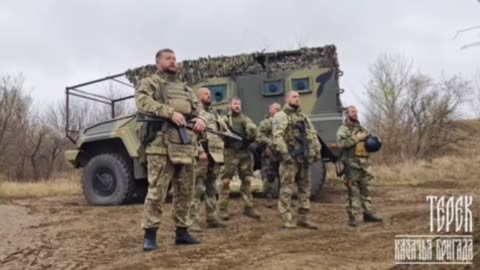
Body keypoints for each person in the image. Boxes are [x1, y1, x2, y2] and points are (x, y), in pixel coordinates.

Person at [135, 48, 207, 251]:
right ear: (158, 63)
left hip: (185, 146)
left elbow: (199, 108)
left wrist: (201, 118)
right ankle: (150, 235)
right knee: (157, 192)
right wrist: (169, 113)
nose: (174, 62)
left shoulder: (185, 89)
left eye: (175, 59)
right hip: (160, 146)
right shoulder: (150, 83)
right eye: (168, 59)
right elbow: (142, 102)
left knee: (185, 192)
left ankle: (182, 232)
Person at [272, 91, 321, 230]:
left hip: (304, 159)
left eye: (298, 97)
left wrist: (316, 151)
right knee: (287, 190)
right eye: (294, 97)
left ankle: (303, 218)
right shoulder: (281, 116)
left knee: (305, 190)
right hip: (290, 160)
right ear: (287, 99)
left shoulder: (303, 117)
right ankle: (287, 219)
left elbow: (313, 135)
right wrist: (285, 155)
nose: (297, 99)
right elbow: (277, 136)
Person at [336, 106, 383, 227]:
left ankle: (368, 213)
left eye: (356, 112)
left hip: (363, 164)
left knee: (365, 189)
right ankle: (352, 217)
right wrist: (357, 138)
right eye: (353, 112)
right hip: (351, 165)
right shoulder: (343, 129)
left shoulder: (360, 127)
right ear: (347, 114)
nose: (355, 113)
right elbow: (341, 143)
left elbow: (367, 140)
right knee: (352, 191)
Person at [189, 87, 228, 232]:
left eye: (210, 94)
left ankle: (211, 217)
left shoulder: (214, 113)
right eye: (206, 94)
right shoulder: (196, 112)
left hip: (215, 155)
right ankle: (191, 220)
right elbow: (192, 133)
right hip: (202, 155)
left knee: (212, 187)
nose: (209, 96)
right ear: (199, 97)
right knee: (197, 188)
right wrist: (199, 151)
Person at [218, 97, 261, 220]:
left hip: (244, 154)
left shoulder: (246, 119)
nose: (237, 106)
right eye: (235, 103)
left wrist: (252, 142)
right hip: (231, 153)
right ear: (230, 105)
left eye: (239, 104)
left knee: (247, 180)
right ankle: (223, 209)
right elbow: (219, 135)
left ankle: (249, 207)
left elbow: (254, 133)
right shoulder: (225, 120)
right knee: (225, 181)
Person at [257, 102, 281, 207]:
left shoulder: (283, 122)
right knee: (268, 176)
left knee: (283, 176)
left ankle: (283, 199)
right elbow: (259, 136)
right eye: (276, 109)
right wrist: (270, 143)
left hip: (281, 152)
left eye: (279, 109)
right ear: (271, 110)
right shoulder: (266, 123)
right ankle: (267, 198)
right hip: (269, 153)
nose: (278, 110)